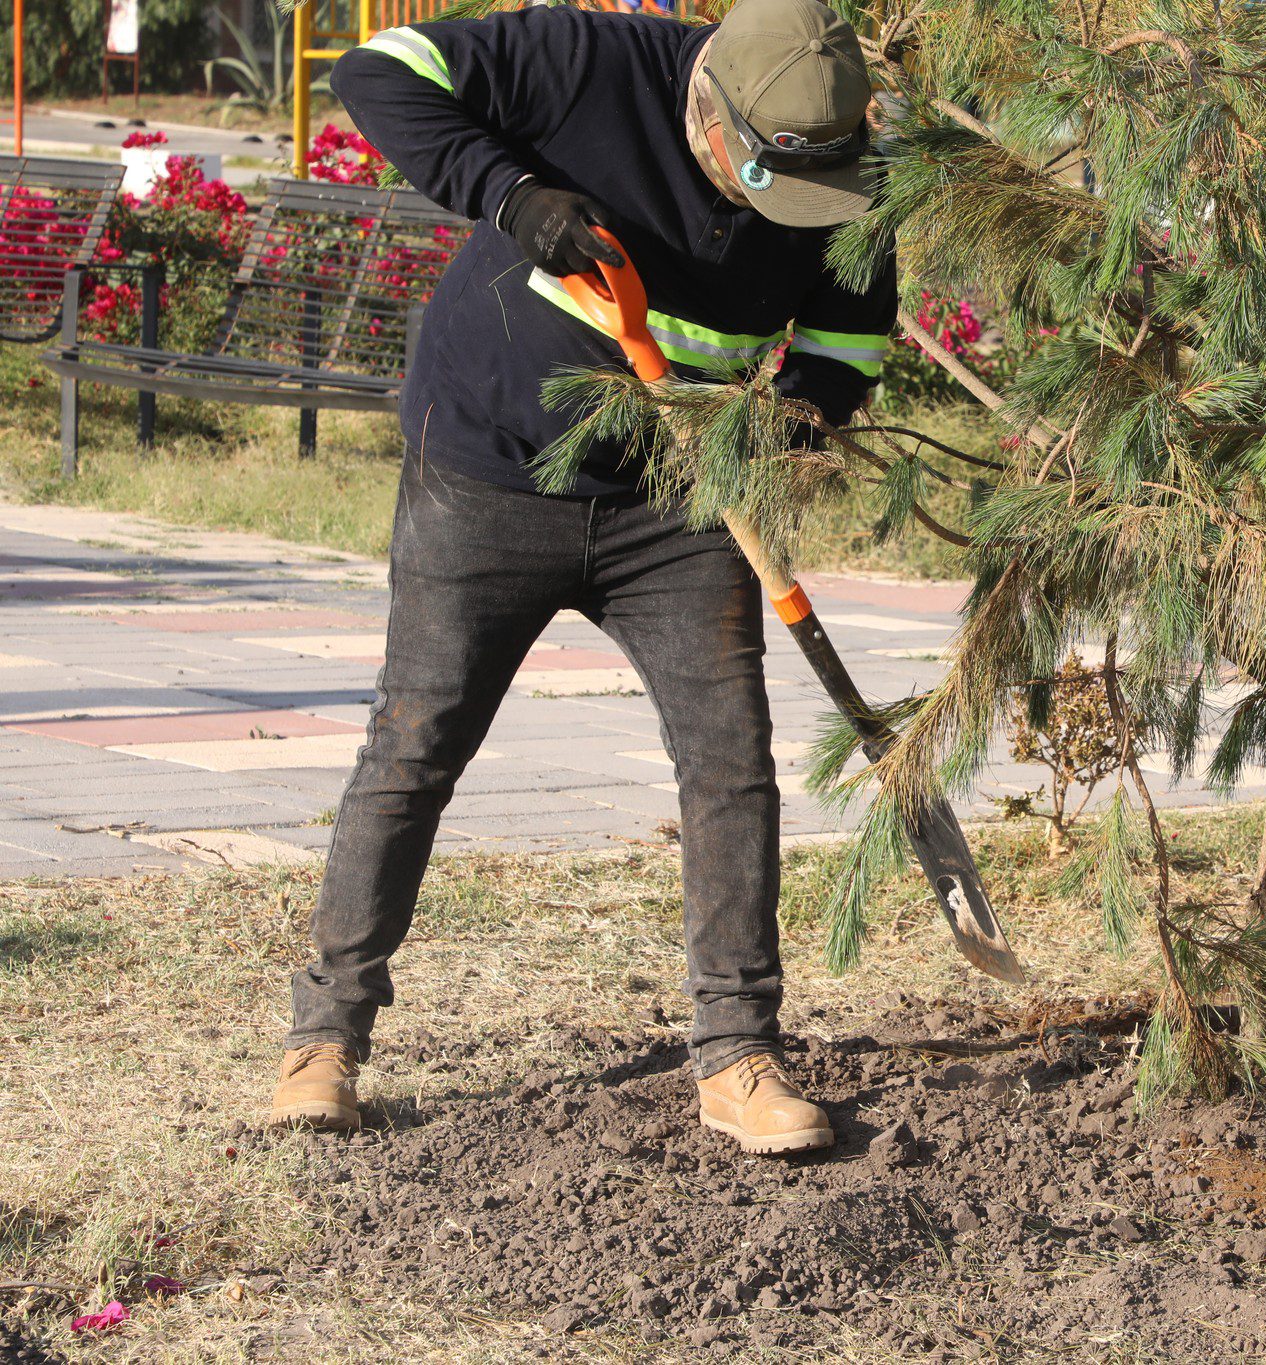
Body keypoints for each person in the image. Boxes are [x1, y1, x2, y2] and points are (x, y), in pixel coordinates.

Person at [268, 0, 894, 1156]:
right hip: (484, 476)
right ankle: (327, 1039)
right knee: (412, 751)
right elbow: (378, 70)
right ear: (707, 107)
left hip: (681, 504)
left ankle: (738, 1052)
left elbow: (852, 326)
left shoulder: (843, 157)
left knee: (727, 763)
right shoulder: (587, 58)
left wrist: (793, 427)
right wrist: (509, 193)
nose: (773, 214)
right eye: (753, 175)